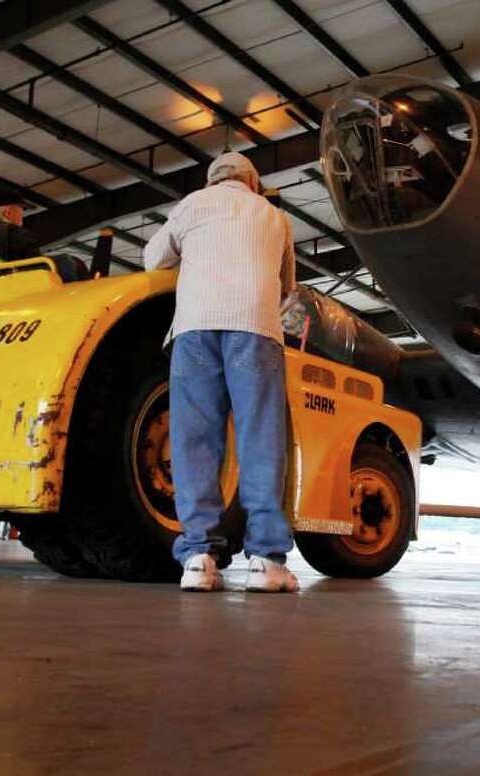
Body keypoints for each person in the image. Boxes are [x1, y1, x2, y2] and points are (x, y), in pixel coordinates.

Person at [144, 151, 298, 593]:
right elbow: (287, 287)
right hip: (256, 327)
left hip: (194, 328)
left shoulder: (193, 204)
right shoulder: (273, 216)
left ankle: (198, 558)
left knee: (195, 441)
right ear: (252, 182)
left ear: (212, 181)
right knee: (260, 439)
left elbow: (152, 258)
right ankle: (267, 562)